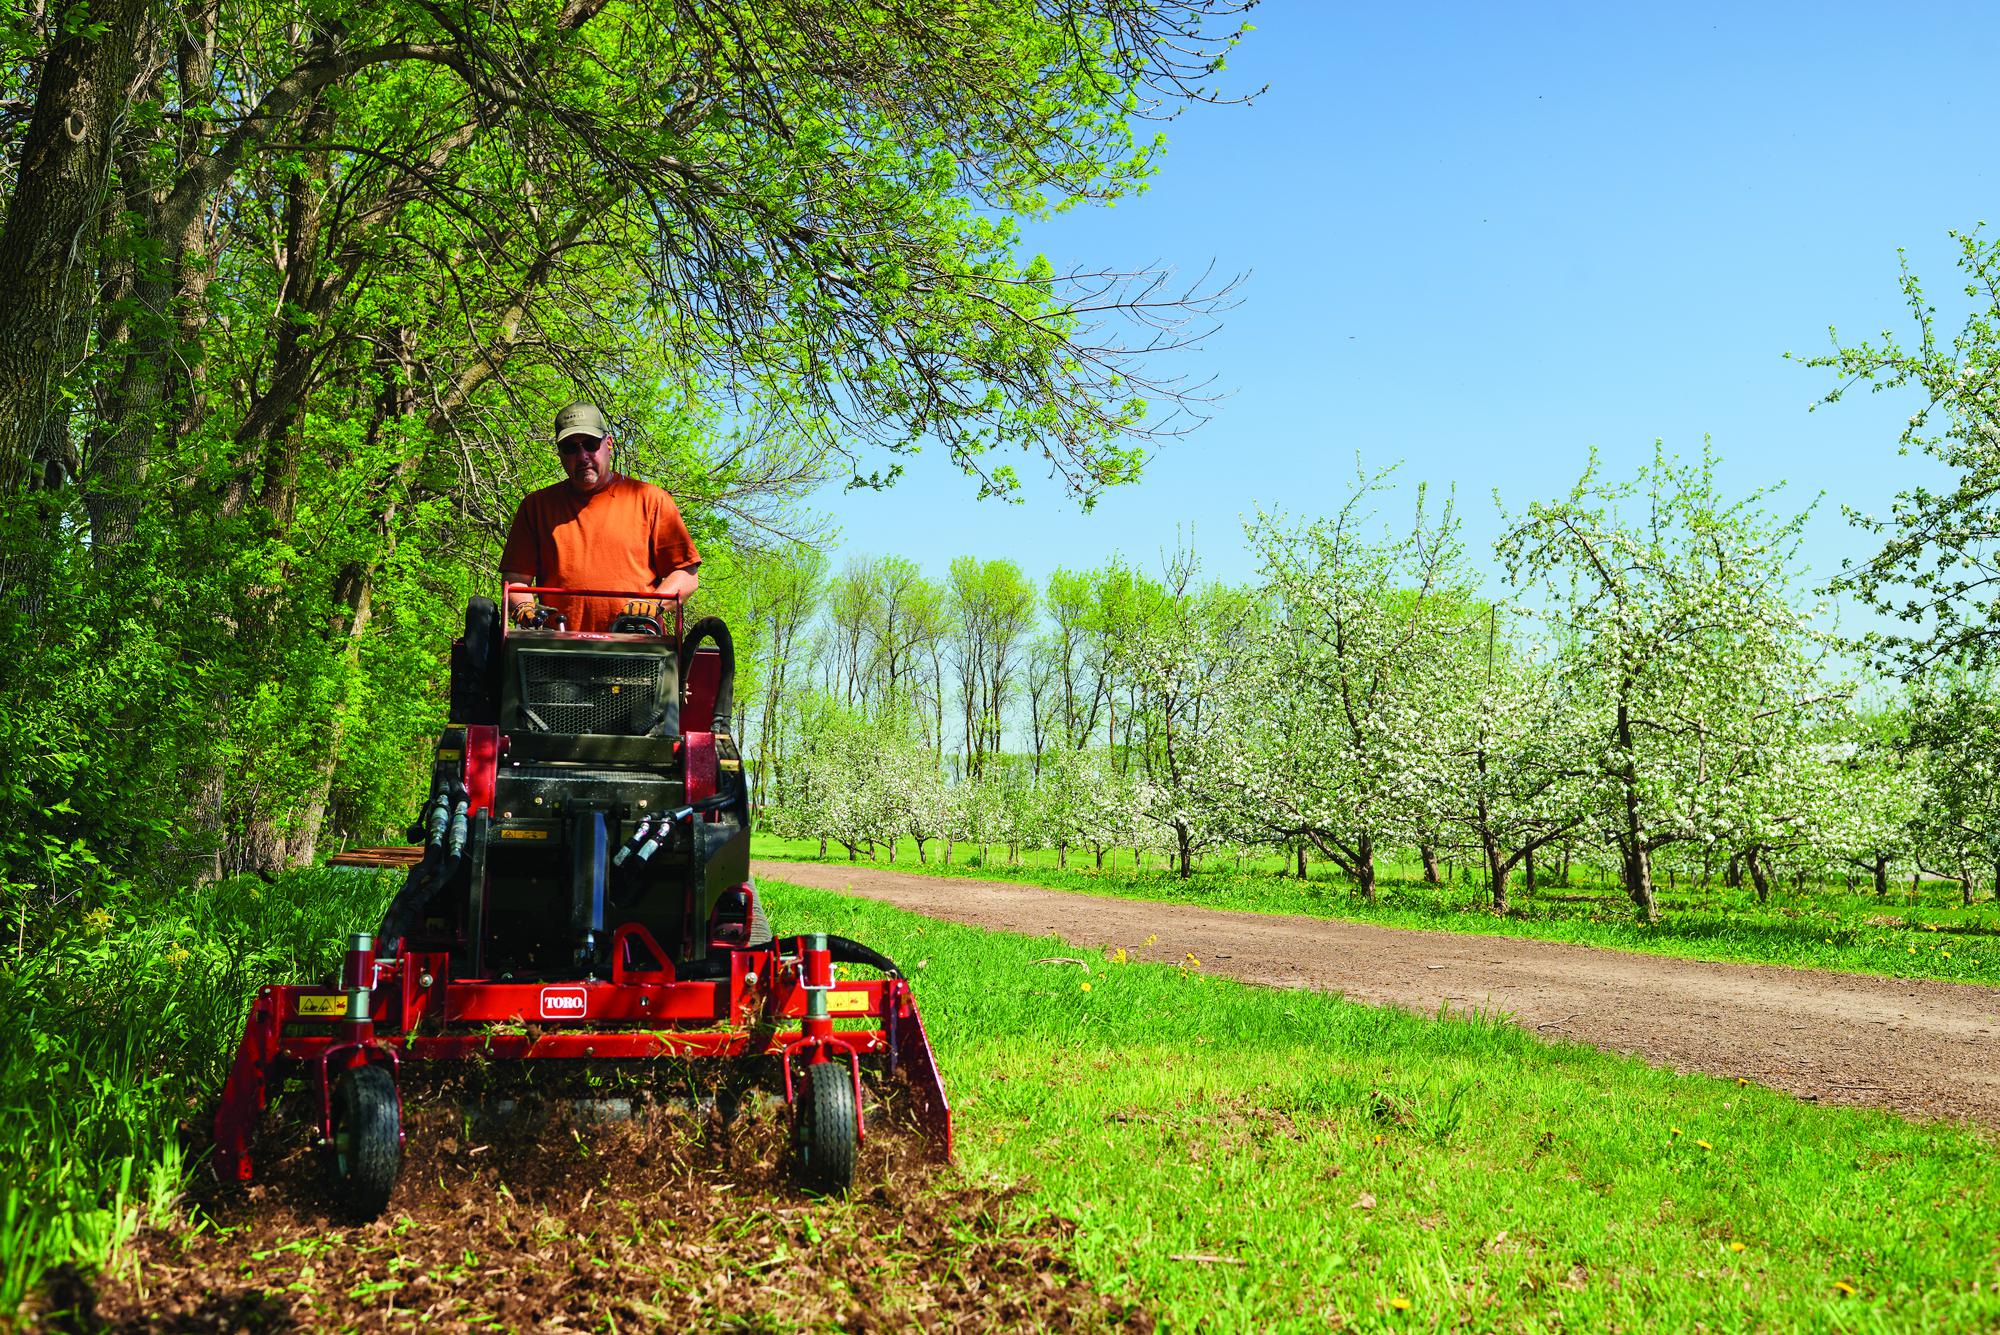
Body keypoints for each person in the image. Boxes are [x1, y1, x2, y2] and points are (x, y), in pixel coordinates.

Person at [499, 402, 701, 632]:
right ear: (560, 454)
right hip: (556, 650)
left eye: (590, 444)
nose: (582, 455)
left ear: (609, 444)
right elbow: (515, 579)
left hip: (636, 649)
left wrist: (651, 604)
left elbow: (686, 575)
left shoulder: (651, 499)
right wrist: (524, 608)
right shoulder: (536, 507)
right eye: (570, 448)